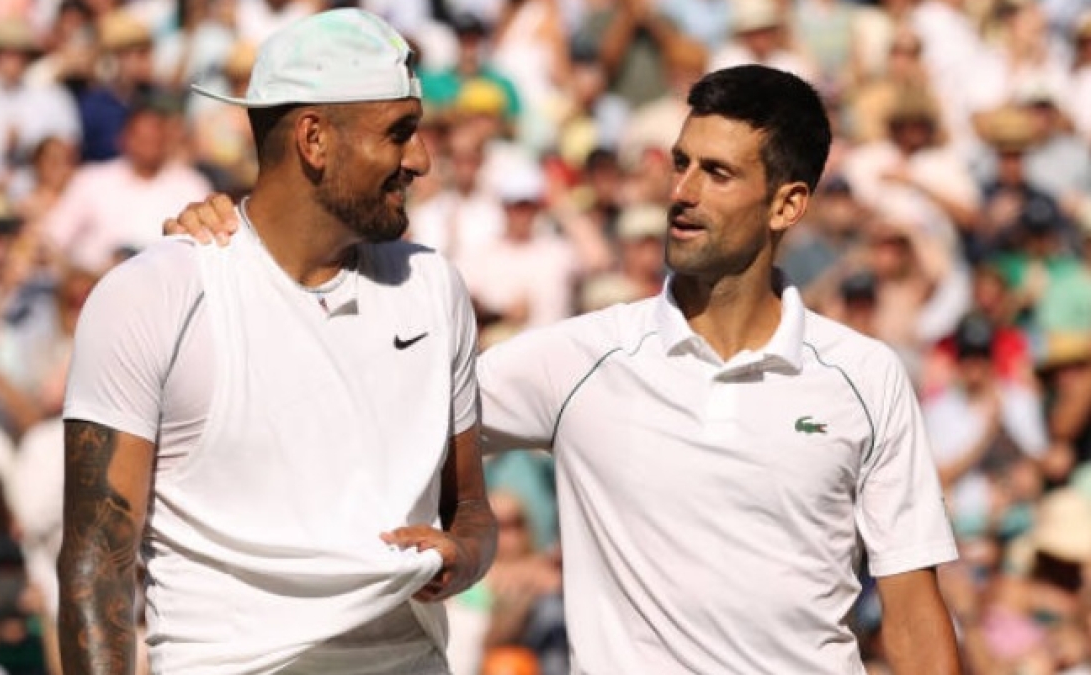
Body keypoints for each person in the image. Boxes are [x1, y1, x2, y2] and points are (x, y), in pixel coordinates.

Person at [171, 65, 961, 673]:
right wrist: (251, 243)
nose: (679, 192)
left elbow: (916, 614)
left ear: (787, 205)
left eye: (716, 173)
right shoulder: (580, 359)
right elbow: (366, 396)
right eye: (679, 163)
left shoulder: (866, 376)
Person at [58, 9, 496, 675]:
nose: (422, 159)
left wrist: (464, 553)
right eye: (400, 132)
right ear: (314, 140)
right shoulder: (154, 295)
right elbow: (97, 564)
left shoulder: (436, 288)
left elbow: (471, 512)